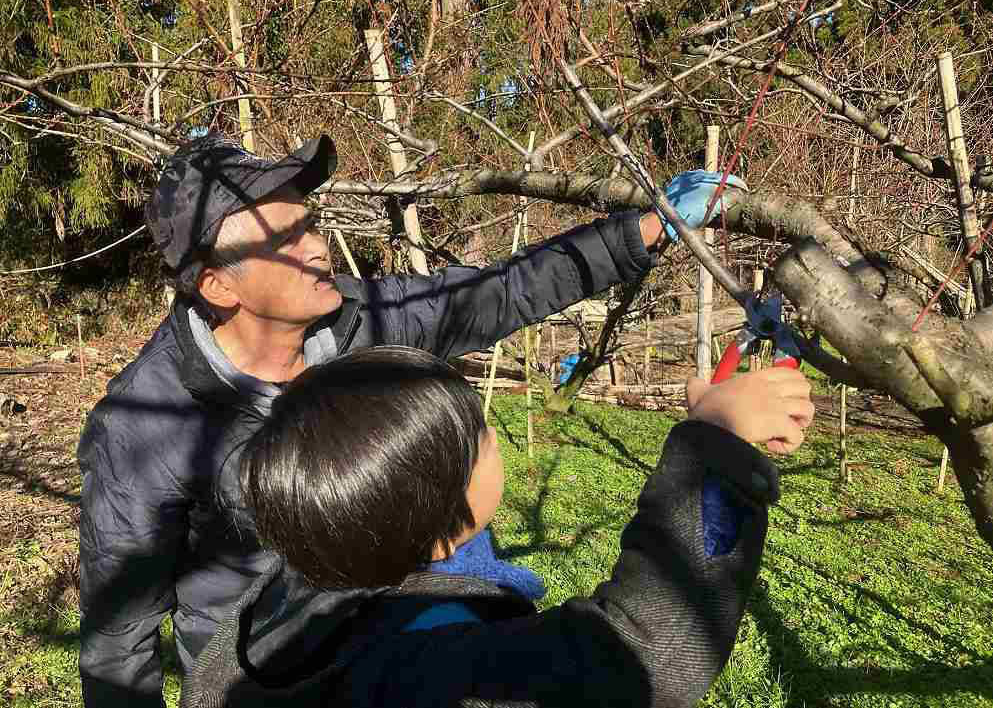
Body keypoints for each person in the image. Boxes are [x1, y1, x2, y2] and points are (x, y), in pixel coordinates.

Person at [76, 131, 745, 707]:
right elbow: (117, 636)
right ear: (218, 284)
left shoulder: (358, 319)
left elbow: (496, 293)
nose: (313, 247)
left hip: (403, 627)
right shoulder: (144, 425)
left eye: (306, 222)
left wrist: (645, 229)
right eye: (280, 238)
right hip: (270, 673)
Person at [180, 346, 814, 708]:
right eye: (480, 432)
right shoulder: (427, 664)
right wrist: (715, 450)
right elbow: (649, 650)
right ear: (443, 507)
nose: (493, 431)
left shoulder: (315, 560)